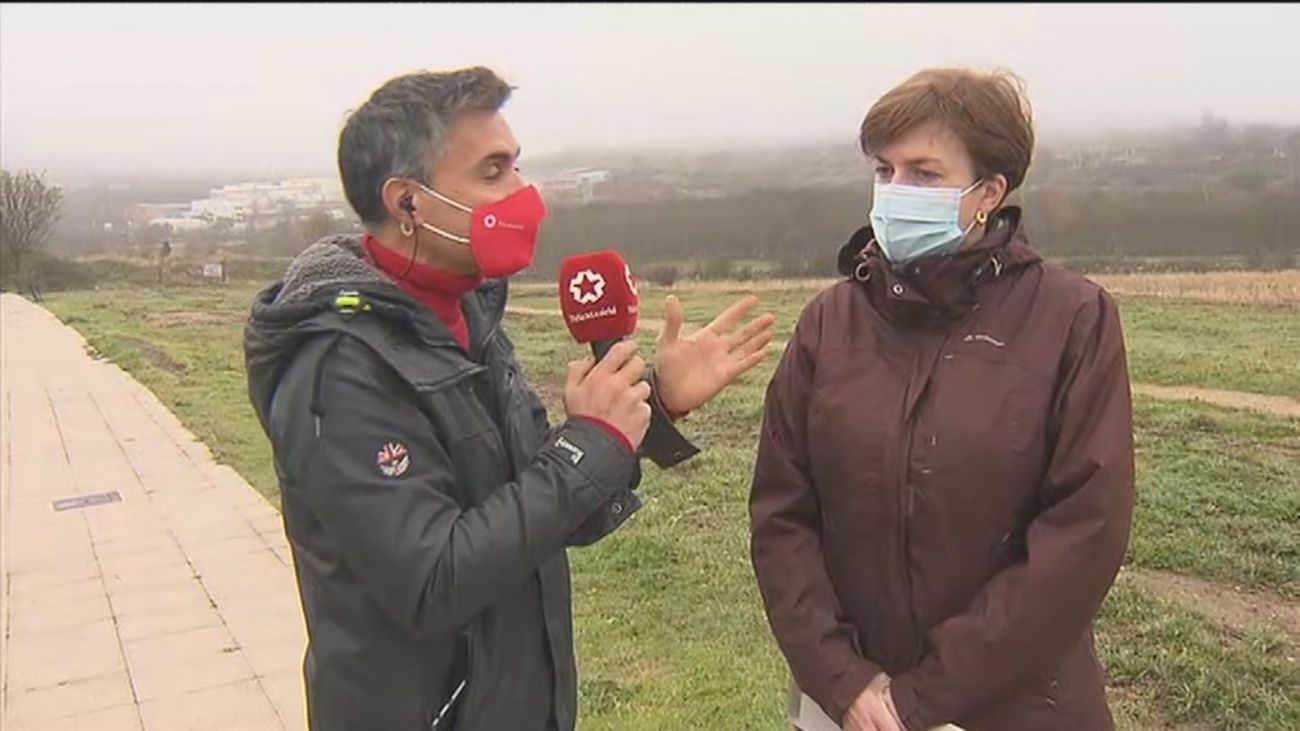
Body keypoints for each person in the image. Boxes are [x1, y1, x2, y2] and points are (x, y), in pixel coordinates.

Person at [243, 67, 774, 731]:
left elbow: (537, 509)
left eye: (516, 166)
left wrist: (644, 411)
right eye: (493, 172)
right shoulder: (341, 366)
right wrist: (589, 447)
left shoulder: (465, 317)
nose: (523, 194)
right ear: (409, 202)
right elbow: (433, 580)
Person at [749, 67, 1135, 731]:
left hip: (1014, 708)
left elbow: (1083, 532)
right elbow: (783, 513)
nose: (895, 191)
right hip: (846, 709)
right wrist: (845, 681)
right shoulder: (828, 324)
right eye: (884, 170)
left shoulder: (1073, 319)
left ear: (988, 191)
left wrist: (921, 698)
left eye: (924, 174)